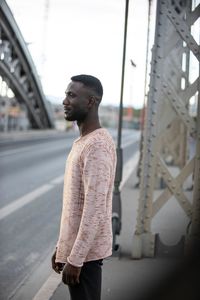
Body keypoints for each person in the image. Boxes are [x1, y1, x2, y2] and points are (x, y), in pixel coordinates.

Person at [51, 74, 116, 300]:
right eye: (65, 95)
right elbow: (75, 208)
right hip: (80, 252)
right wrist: (62, 247)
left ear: (91, 102)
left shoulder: (96, 146)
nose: (65, 101)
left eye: (71, 95)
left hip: (86, 258)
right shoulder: (85, 141)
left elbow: (94, 209)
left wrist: (75, 258)